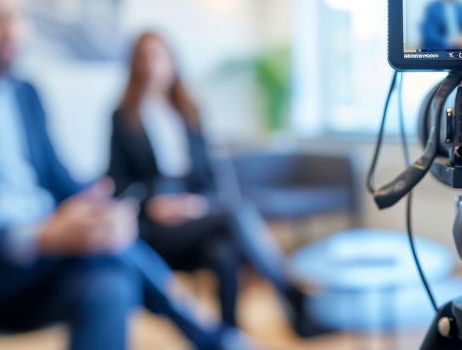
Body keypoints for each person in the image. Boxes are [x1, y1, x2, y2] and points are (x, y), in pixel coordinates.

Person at [0, 0, 251, 350]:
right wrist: (40, 235)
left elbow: (56, 176)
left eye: (18, 16)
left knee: (111, 282)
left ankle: (210, 335)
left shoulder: (26, 93)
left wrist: (101, 200)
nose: (11, 31)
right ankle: (208, 335)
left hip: (45, 263)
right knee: (111, 254)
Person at [107, 31, 324, 337]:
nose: (151, 64)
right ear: (134, 66)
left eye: (158, 56)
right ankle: (292, 296)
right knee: (235, 214)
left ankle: (228, 335)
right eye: (144, 57)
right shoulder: (122, 119)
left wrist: (199, 204)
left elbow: (208, 178)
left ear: (172, 62)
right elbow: (117, 183)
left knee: (223, 252)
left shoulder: (188, 113)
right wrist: (151, 204)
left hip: (196, 213)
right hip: (157, 224)